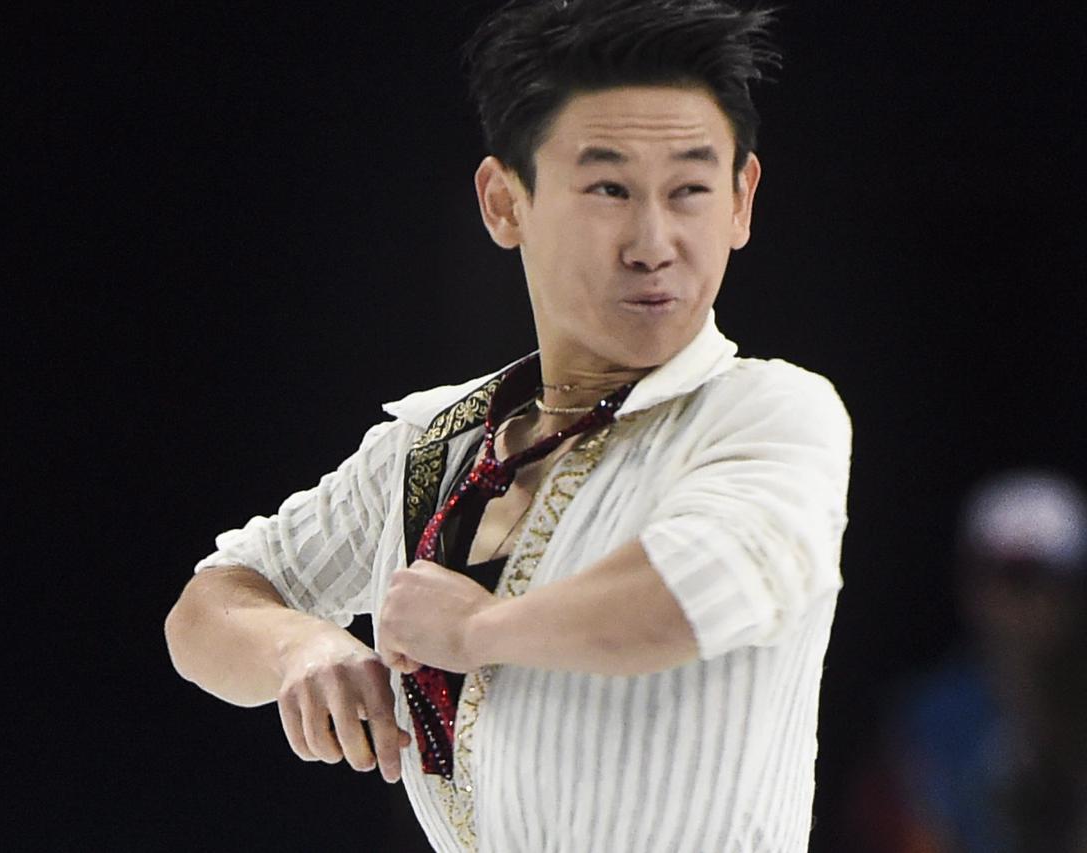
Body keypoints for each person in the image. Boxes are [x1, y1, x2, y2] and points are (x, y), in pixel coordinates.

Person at [165, 1, 852, 850]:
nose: (653, 240)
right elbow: (209, 607)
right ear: (504, 202)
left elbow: (694, 591)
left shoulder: (767, 413)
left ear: (741, 201)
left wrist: (477, 629)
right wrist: (302, 653)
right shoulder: (435, 446)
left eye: (690, 190)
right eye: (607, 188)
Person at [848, 470, 1087, 853]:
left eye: (1040, 578)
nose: (1022, 603)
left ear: (1081, 590)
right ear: (970, 584)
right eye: (1003, 576)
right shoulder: (919, 725)